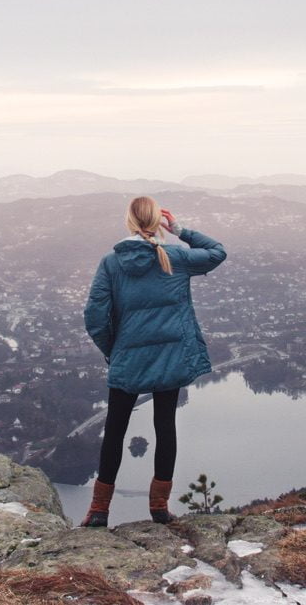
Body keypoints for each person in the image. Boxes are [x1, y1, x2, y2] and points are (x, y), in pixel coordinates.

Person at [80, 196, 227, 527]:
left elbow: (95, 316)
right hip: (170, 358)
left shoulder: (111, 263)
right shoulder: (175, 256)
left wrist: (112, 349)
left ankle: (99, 510)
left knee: (115, 430)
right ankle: (159, 508)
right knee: (165, 427)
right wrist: (180, 230)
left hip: (128, 358)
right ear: (155, 222)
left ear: (130, 222)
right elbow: (218, 252)